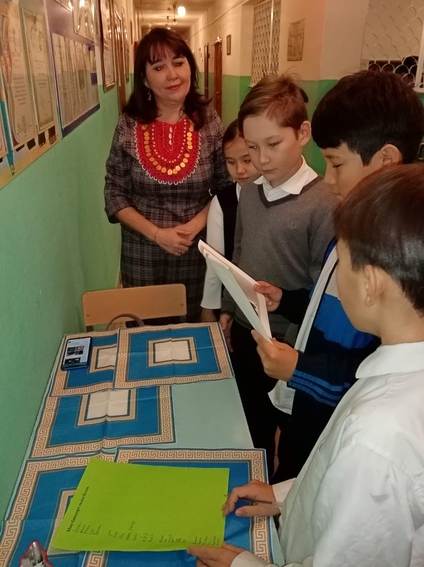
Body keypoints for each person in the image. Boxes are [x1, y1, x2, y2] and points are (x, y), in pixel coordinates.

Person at [187, 163, 424, 567]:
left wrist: (241, 564)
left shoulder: (378, 439)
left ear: (371, 284)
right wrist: (285, 495)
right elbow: (345, 490)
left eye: (341, 263)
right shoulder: (422, 370)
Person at [253, 70, 424, 482]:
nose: (328, 178)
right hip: (309, 409)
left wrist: (298, 369)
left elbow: (370, 376)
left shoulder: (401, 259)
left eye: (335, 163)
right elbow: (329, 304)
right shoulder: (353, 223)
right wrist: (289, 300)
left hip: (338, 430)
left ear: (385, 160)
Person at [220, 75, 338, 474]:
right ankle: (254, 480)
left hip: (289, 344)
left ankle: (279, 489)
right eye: (253, 148)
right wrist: (228, 307)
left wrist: (292, 337)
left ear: (302, 133)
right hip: (246, 330)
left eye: (273, 144)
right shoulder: (250, 191)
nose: (262, 159)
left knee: (288, 432)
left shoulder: (324, 204)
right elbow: (238, 252)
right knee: (250, 420)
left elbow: (324, 291)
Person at [104, 28, 232, 322]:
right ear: (144, 78)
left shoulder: (210, 121)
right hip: (143, 253)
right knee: (145, 329)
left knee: (195, 329)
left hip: (197, 249)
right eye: (159, 67)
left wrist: (194, 227)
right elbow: (113, 192)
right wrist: (157, 234)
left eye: (178, 62)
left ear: (190, 66)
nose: (172, 75)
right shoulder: (128, 125)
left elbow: (226, 187)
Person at [200, 120, 257, 323]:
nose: (239, 170)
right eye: (231, 162)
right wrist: (208, 308)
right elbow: (215, 262)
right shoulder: (222, 202)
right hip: (231, 303)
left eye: (247, 160)